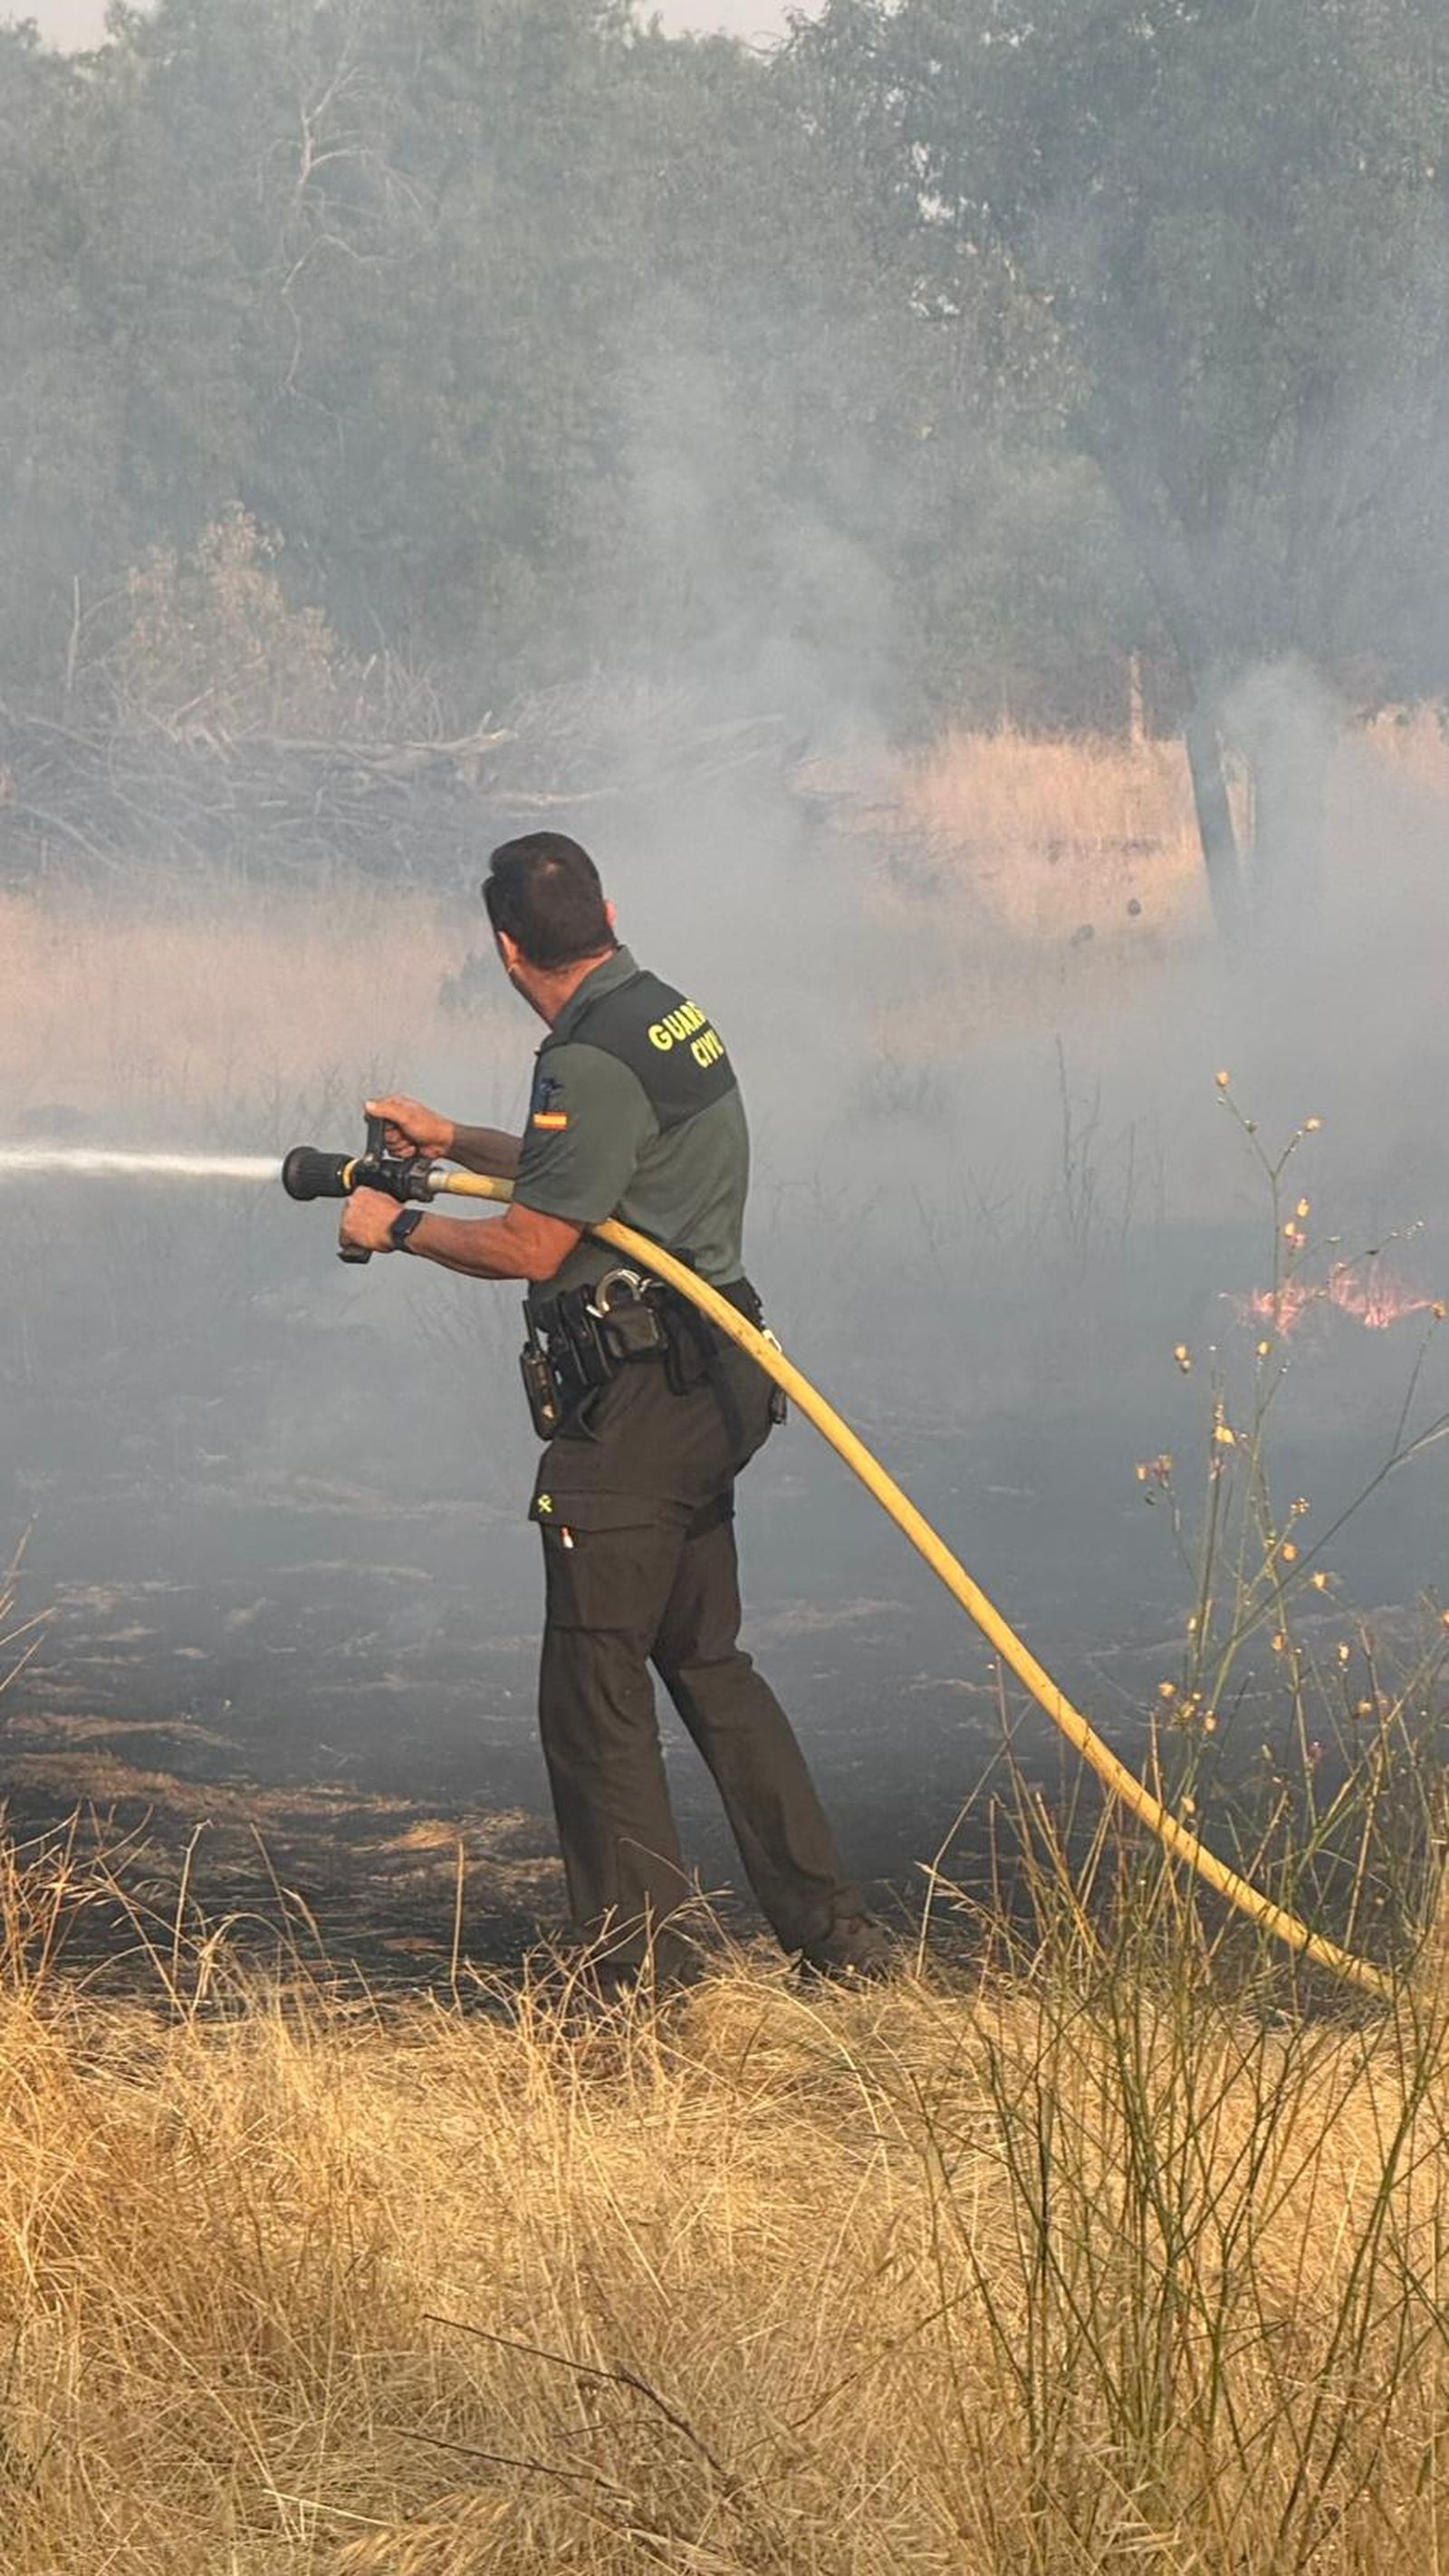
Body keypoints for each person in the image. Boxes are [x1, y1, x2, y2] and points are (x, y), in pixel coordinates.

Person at [340, 831, 888, 1986]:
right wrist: (454, 1138)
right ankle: (835, 1939)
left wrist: (399, 1227)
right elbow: (594, 1170)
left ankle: (636, 1986)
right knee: (705, 1660)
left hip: (640, 1406)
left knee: (594, 1694)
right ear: (607, 915)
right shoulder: (659, 1012)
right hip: (709, 1382)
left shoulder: (585, 1059)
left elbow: (534, 1243)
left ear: (505, 948)